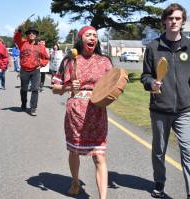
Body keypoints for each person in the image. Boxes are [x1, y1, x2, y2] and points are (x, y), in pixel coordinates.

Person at [140, 3, 190, 199]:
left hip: (184, 109)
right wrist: (152, 84)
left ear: (183, 21)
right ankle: (159, 182)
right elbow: (145, 76)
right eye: (170, 18)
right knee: (159, 151)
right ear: (164, 21)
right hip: (160, 109)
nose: (173, 21)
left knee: (188, 151)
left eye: (177, 18)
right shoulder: (153, 47)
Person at [53, 26, 113, 199]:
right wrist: (68, 86)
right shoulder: (69, 61)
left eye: (95, 35)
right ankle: (75, 181)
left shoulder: (105, 61)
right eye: (89, 35)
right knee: (74, 151)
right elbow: (55, 88)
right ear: (81, 39)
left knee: (100, 155)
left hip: (97, 111)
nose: (93, 37)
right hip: (76, 111)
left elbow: (113, 84)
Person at [14, 24, 49, 116]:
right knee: (24, 89)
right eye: (29, 33)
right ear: (27, 34)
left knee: (35, 89)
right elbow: (16, 37)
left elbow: (46, 57)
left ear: (36, 35)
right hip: (24, 70)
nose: (31, 34)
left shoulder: (40, 46)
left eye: (33, 33)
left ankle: (33, 108)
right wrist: (19, 28)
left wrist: (41, 64)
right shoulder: (22, 43)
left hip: (35, 71)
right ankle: (24, 103)